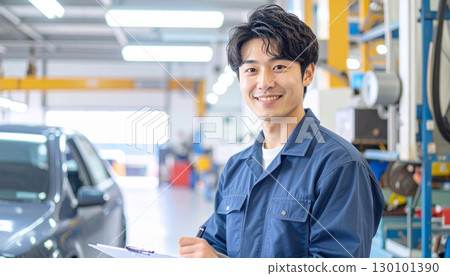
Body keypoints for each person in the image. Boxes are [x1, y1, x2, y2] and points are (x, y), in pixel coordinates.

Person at [178, 4, 384, 258]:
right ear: (241, 80)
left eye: (279, 67)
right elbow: (217, 245)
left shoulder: (340, 166)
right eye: (251, 70)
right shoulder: (236, 168)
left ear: (307, 74)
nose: (264, 82)